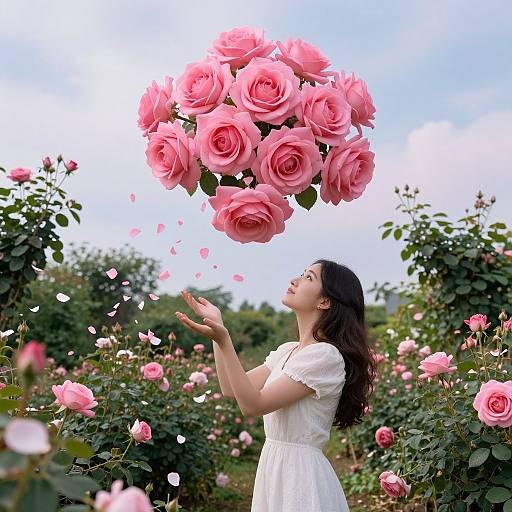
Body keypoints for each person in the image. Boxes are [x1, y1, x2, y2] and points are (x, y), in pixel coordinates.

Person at [175, 258, 377, 511]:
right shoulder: (289, 350)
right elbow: (232, 389)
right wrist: (217, 331)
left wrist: (225, 340)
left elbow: (252, 405)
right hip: (275, 466)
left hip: (300, 475)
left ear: (325, 301)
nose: (295, 280)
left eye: (308, 278)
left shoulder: (325, 356)